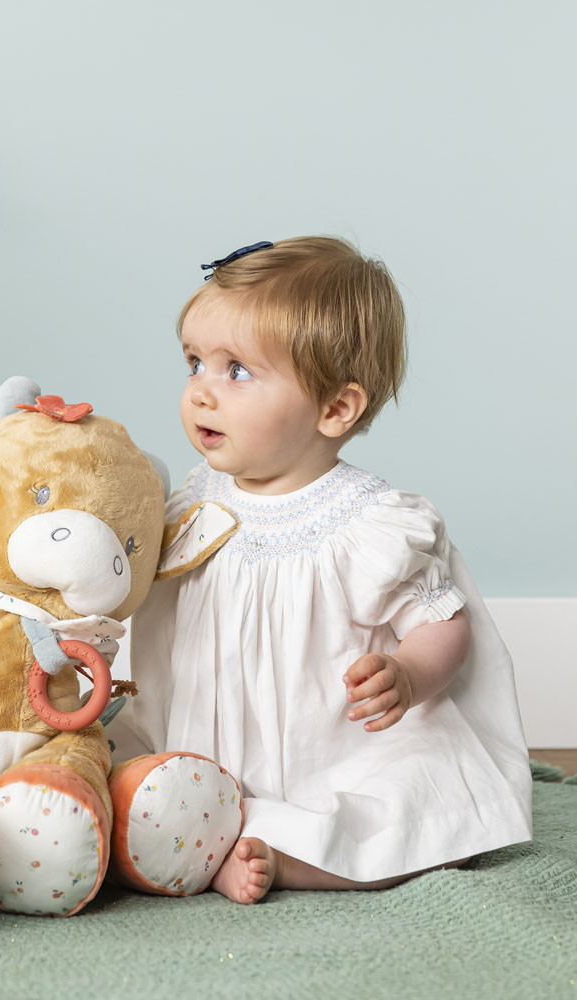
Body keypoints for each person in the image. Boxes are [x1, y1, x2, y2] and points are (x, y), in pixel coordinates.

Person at [118, 236, 533, 903]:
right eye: (195, 363)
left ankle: (290, 859)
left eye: (237, 371)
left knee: (412, 819)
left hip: (337, 749)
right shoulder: (194, 498)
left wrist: (408, 673)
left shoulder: (370, 525)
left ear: (336, 409)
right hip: (198, 740)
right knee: (123, 779)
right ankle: (198, 834)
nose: (201, 393)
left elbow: (443, 623)